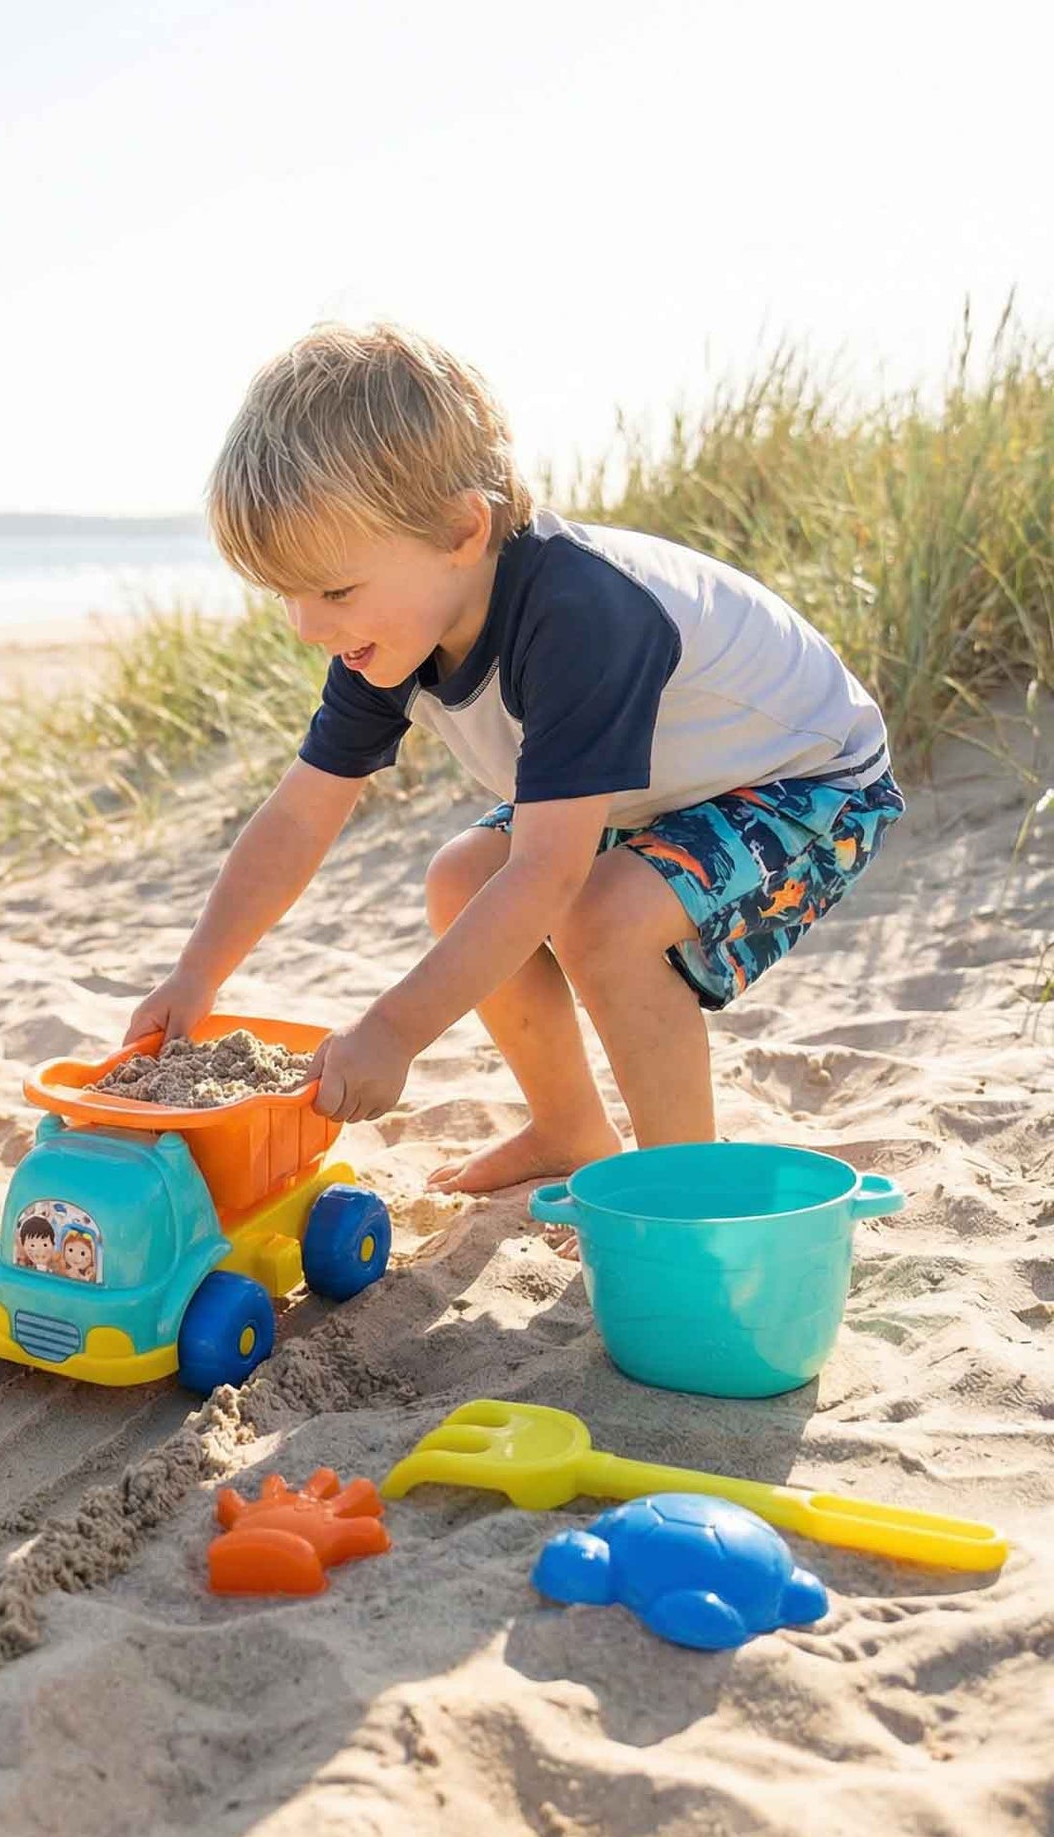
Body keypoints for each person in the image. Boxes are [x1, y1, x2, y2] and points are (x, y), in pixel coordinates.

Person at [132, 324, 902, 1197]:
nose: (308, 626)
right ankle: (569, 1131)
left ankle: (686, 1193)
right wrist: (197, 973)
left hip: (809, 783)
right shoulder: (392, 634)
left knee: (605, 918)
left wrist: (393, 1032)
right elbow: (301, 815)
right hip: (660, 789)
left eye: (335, 590)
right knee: (461, 879)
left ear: (463, 529)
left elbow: (547, 875)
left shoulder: (582, 616)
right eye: (287, 595)